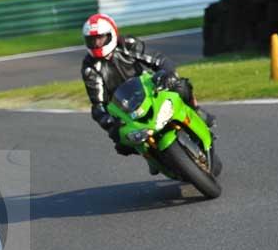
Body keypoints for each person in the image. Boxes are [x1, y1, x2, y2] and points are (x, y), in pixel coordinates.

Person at [80, 13, 216, 173]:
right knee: (121, 143)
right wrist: (109, 123)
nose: (96, 43)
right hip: (122, 106)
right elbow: (98, 104)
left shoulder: (127, 44)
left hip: (148, 88)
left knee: (181, 86)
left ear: (112, 34)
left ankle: (196, 111)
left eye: (100, 38)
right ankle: (151, 156)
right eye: (92, 40)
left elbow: (159, 60)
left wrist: (167, 74)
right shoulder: (90, 67)